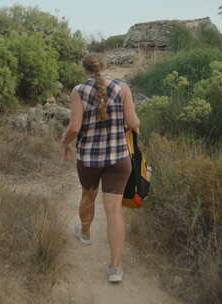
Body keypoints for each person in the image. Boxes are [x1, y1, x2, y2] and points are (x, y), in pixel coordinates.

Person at [61, 54, 140, 283]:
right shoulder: (122, 88)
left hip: (89, 159)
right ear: (105, 67)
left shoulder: (78, 91)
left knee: (88, 194)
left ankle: (85, 233)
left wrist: (64, 143)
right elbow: (134, 123)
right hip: (118, 159)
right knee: (114, 212)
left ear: (83, 69)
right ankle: (115, 268)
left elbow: (75, 127)